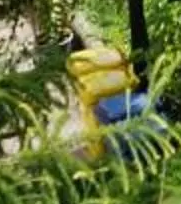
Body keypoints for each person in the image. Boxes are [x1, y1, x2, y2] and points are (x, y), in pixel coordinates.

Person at [64, 27, 172, 167]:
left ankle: (125, 158)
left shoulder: (98, 100)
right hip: (122, 111)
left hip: (115, 113)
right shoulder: (103, 91)